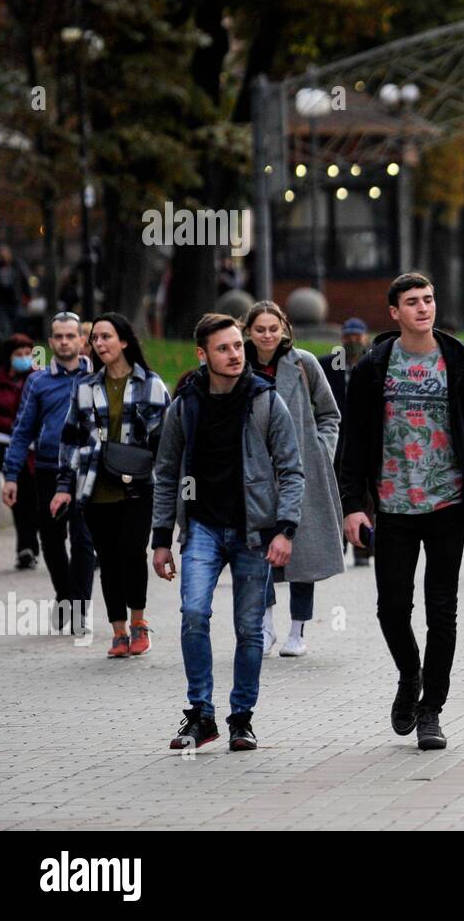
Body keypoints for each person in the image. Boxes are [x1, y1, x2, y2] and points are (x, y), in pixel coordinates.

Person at [340, 273, 464, 752]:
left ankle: (432, 708)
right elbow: (353, 444)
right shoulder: (373, 368)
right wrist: (353, 505)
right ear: (395, 312)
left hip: (448, 505)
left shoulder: (461, 363)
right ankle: (409, 675)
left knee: (442, 610)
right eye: (412, 302)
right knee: (391, 608)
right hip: (391, 507)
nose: (423, 308)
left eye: (429, 299)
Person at [152, 313, 304, 752]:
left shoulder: (265, 401)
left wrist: (285, 530)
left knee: (249, 629)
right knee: (194, 614)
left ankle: (241, 719)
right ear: (203, 354)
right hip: (201, 527)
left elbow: (292, 470)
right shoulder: (186, 405)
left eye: (238, 346)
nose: (236, 354)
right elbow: (165, 474)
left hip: (254, 533)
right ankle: (201, 715)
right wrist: (162, 538)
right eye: (224, 348)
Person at [54, 314, 170, 657]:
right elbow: (70, 439)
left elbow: (164, 441)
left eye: (106, 337)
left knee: (132, 552)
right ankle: (118, 631)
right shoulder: (86, 387)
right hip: (94, 487)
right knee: (106, 557)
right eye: (95, 339)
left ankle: (138, 623)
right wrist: (64, 485)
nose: (99, 344)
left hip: (137, 487)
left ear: (124, 341)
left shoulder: (151, 384)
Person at [245, 301, 345, 657]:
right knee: (260, 551)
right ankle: (266, 625)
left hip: (301, 472)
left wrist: (320, 450)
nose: (268, 335)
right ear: (248, 332)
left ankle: (298, 631)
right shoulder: (238, 366)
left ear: (285, 329)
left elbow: (330, 413)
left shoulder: (304, 363)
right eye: (260, 329)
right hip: (255, 474)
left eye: (274, 328)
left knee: (302, 553)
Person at [1, 312, 96, 635]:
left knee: (84, 538)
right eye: (59, 336)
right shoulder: (37, 381)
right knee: (52, 539)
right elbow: (22, 429)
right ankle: (63, 594)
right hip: (47, 469)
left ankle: (79, 608)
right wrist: (11, 474)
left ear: (81, 341)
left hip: (85, 470)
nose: (65, 341)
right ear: (51, 341)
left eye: (71, 336)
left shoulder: (95, 376)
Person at [320, 317, 371, 565]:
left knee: (367, 494)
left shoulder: (373, 362)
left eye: (357, 335)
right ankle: (337, 544)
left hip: (366, 437)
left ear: (366, 337)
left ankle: (363, 547)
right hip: (337, 438)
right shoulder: (330, 365)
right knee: (335, 492)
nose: (352, 340)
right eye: (348, 336)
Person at [0, 334, 40, 568]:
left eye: (27, 354)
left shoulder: (38, 380)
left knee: (34, 498)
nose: (23, 359)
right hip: (9, 446)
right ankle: (25, 547)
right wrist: (12, 424)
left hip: (36, 449)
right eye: (18, 355)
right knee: (20, 498)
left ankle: (32, 544)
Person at [0, 245, 31, 336]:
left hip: (15, 301)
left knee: (16, 326)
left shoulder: (17, 265)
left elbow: (25, 281)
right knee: (4, 327)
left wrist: (28, 297)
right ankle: (6, 345)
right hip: (0, 302)